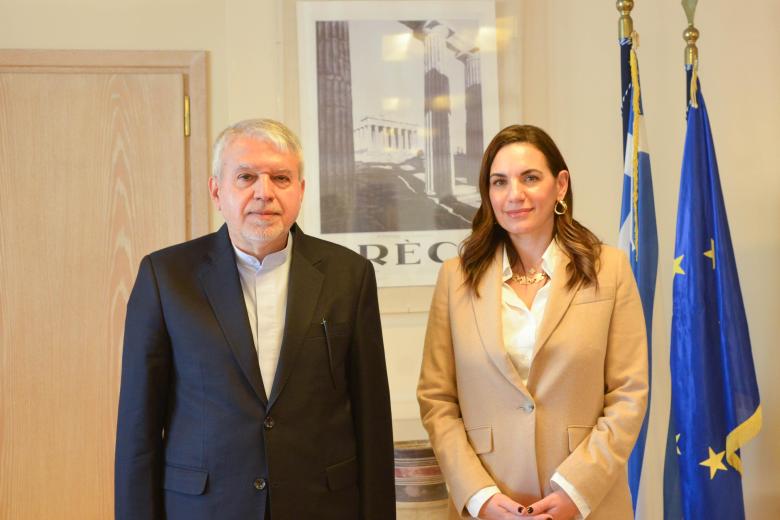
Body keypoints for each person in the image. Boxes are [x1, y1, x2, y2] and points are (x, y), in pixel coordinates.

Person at [115, 119, 395, 520]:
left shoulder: (349, 275)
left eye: (281, 178)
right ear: (217, 191)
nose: (265, 193)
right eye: (246, 177)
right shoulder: (166, 277)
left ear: (300, 190)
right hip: (204, 508)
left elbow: (373, 420)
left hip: (322, 506)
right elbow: (138, 428)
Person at [417, 125, 648, 520]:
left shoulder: (609, 269)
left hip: (587, 502)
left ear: (560, 186)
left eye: (530, 178)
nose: (514, 194)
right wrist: (480, 496)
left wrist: (576, 491)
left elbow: (629, 393)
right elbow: (437, 400)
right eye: (500, 181)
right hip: (490, 502)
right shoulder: (455, 277)